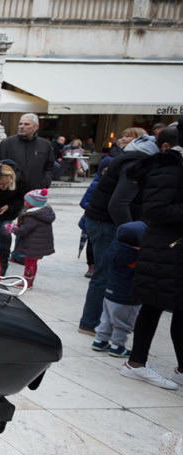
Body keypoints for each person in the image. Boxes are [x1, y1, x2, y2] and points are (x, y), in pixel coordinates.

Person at [78, 133, 158, 333]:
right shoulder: (134, 165)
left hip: (102, 219)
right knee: (104, 274)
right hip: (105, 222)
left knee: (106, 273)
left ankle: (96, 323)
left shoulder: (127, 159)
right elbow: (118, 204)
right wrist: (132, 232)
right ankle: (90, 323)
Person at [123, 127, 182, 389]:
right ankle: (135, 364)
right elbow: (156, 211)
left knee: (178, 308)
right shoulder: (170, 167)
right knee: (153, 305)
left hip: (173, 249)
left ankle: (181, 369)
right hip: (166, 249)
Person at [92, 221, 145, 359]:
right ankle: (117, 346)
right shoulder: (135, 255)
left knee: (106, 319)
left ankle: (100, 340)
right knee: (122, 324)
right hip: (126, 299)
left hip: (110, 293)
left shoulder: (114, 248)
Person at [7, 188, 55, 288]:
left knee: (29, 264)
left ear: (32, 203)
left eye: (26, 201)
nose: (24, 202)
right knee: (33, 263)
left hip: (32, 244)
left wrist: (13, 229)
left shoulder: (32, 216)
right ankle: (30, 280)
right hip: (39, 244)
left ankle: (27, 283)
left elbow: (24, 230)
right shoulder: (44, 213)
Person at [0, 113, 55, 192]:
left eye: (26, 124)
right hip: (11, 191)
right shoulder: (7, 143)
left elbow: (49, 166)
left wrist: (45, 183)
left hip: (35, 191)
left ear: (36, 127)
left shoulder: (45, 144)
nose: (22, 127)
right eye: (20, 124)